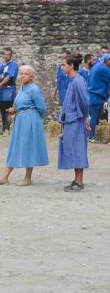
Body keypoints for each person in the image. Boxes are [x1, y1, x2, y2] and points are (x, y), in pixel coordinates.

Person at [0, 66, 49, 186]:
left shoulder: (34, 89)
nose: (23, 75)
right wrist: (14, 109)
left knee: (29, 146)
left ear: (32, 76)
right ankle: (5, 177)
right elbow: (20, 104)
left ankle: (27, 178)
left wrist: (32, 117)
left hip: (30, 121)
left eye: (26, 74)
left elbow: (42, 107)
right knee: (15, 146)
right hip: (20, 120)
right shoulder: (22, 89)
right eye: (22, 73)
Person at [58, 53, 90, 190]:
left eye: (64, 65)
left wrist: (85, 118)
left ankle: (80, 182)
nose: (62, 67)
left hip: (76, 120)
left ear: (71, 66)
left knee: (78, 149)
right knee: (73, 149)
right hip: (71, 119)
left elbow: (84, 101)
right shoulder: (71, 80)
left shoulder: (78, 80)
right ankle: (76, 180)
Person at [0, 49, 19, 133]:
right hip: (1, 91)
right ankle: (3, 129)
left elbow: (9, 77)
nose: (6, 56)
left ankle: (7, 129)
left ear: (11, 56)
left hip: (9, 90)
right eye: (5, 54)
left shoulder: (13, 65)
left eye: (8, 54)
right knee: (2, 110)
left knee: (8, 110)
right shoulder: (1, 65)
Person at [86, 54, 110, 139]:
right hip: (96, 96)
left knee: (91, 116)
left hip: (90, 94)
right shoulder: (105, 69)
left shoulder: (96, 66)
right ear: (106, 60)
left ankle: (89, 134)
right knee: (94, 117)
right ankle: (91, 136)